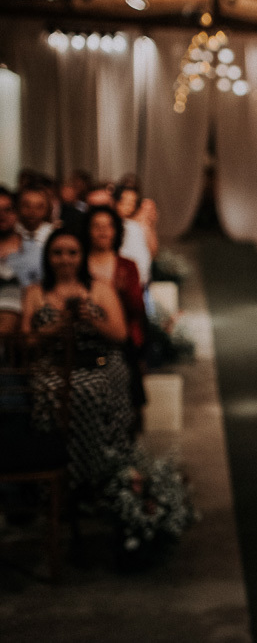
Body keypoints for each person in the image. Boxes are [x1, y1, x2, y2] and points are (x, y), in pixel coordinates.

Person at [21, 229, 133, 494]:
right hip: (53, 365)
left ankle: (95, 476)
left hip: (99, 361)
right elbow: (27, 341)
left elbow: (120, 334)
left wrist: (91, 319)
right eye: (57, 253)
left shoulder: (99, 289)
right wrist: (56, 326)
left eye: (72, 253)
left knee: (91, 388)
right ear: (48, 257)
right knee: (55, 391)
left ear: (82, 256)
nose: (65, 259)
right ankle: (60, 478)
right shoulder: (36, 292)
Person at [84, 206, 148, 417]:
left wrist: (123, 292)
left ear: (115, 231)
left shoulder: (126, 266)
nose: (103, 232)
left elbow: (138, 309)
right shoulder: (79, 264)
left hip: (121, 337)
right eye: (97, 226)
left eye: (108, 226)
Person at [0, 188, 43, 333]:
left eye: (8, 210)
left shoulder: (36, 254)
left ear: (16, 213)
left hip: (26, 334)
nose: (2, 216)